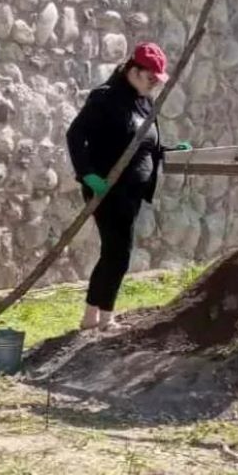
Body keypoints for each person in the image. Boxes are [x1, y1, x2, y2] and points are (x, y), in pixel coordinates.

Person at [66, 42, 181, 331]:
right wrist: (87, 175)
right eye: (150, 77)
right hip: (107, 188)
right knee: (119, 252)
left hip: (132, 192)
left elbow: (145, 143)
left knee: (114, 252)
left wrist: (170, 150)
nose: (154, 84)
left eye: (157, 80)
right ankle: (104, 317)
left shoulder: (145, 102)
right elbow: (75, 135)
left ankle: (92, 315)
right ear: (133, 70)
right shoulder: (105, 98)